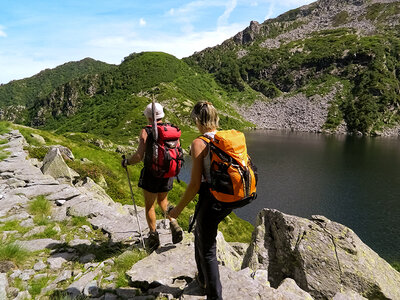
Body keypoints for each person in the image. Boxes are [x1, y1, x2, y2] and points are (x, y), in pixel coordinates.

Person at [168, 101, 232, 300]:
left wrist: (177, 210)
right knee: (201, 233)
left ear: (197, 120)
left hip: (212, 198)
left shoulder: (199, 142)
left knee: (208, 251)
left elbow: (195, 184)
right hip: (230, 196)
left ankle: (213, 295)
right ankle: (203, 279)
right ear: (216, 118)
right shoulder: (225, 138)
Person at [122, 102, 183, 252]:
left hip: (151, 174)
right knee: (163, 201)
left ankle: (153, 236)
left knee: (150, 205)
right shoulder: (172, 131)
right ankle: (173, 223)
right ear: (162, 116)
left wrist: (127, 162)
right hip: (167, 173)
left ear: (148, 117)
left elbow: (138, 156)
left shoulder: (146, 131)